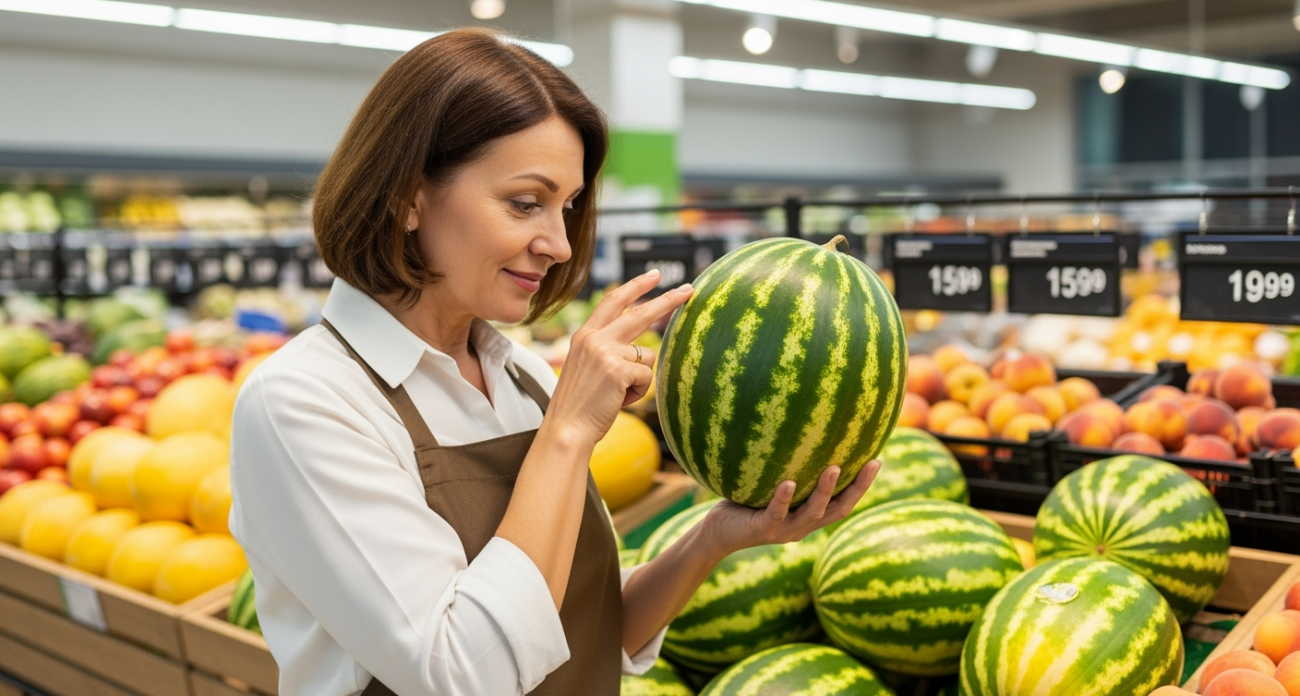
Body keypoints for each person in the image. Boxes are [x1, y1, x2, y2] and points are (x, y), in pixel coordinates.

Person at [229, 27, 880, 696]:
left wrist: (713, 537)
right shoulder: (302, 402)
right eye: (525, 203)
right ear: (408, 195)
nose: (561, 244)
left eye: (567, 207)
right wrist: (567, 430)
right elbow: (461, 673)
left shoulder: (524, 380)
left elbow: (585, 629)